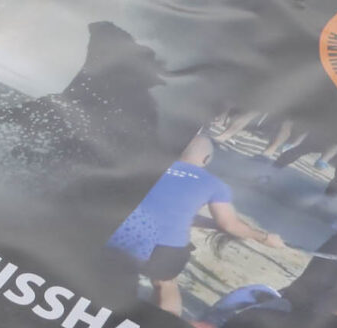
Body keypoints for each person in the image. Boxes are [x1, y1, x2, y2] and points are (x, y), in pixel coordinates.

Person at [108, 130, 293, 317]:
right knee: (165, 283)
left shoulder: (151, 166)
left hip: (122, 234)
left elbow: (166, 211)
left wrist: (214, 224)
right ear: (205, 160)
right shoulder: (214, 184)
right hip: (165, 248)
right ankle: (162, 325)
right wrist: (264, 237)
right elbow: (230, 225)